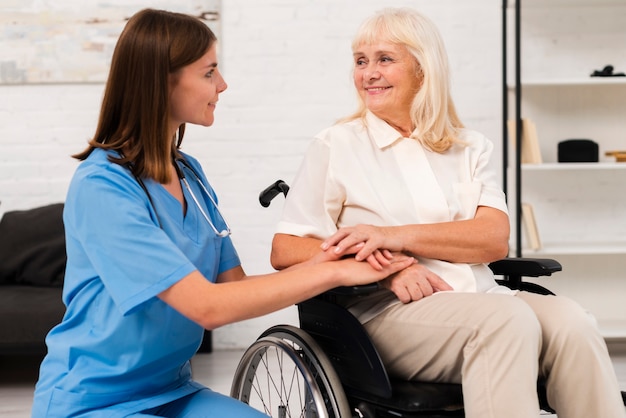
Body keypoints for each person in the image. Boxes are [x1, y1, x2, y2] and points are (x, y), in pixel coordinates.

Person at [30, 9, 416, 418]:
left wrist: (326, 258)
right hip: (93, 401)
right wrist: (333, 273)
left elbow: (235, 286)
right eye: (209, 72)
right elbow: (207, 308)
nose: (223, 84)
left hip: (171, 391)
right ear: (163, 81)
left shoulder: (190, 175)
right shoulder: (102, 186)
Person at [271, 7, 626, 418]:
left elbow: (492, 239)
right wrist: (389, 268)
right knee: (505, 320)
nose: (369, 73)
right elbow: (286, 249)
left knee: (572, 322)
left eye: (385, 59)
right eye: (360, 61)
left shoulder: (469, 146)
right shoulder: (336, 145)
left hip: (482, 297)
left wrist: (392, 235)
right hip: (385, 314)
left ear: (424, 69)